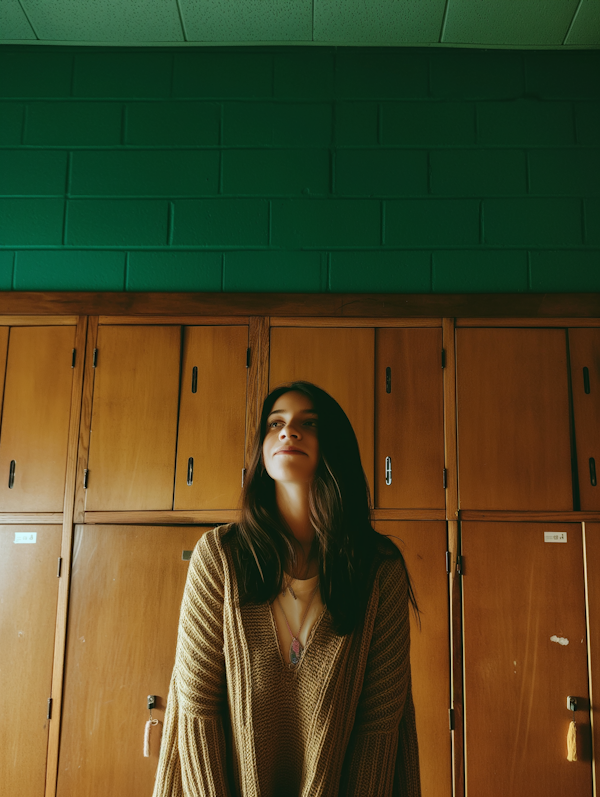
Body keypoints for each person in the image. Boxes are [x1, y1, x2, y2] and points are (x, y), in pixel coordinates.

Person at [153, 381, 421, 797]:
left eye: (307, 423)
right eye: (275, 423)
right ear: (262, 450)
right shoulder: (219, 556)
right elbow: (196, 708)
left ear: (334, 444)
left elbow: (380, 726)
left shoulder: (378, 570)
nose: (288, 431)